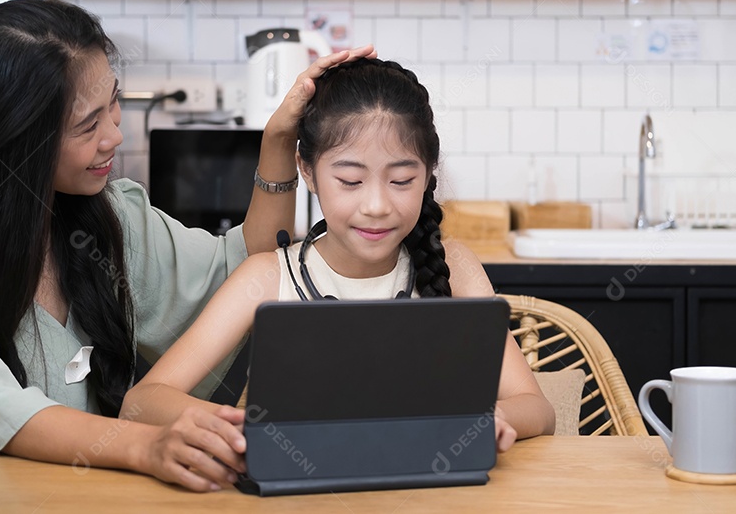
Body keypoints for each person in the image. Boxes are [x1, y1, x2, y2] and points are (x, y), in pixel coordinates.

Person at [0, 0, 376, 492]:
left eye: (112, 102)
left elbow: (243, 274)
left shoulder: (110, 214)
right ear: (15, 142)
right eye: (87, 125)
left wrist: (277, 141)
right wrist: (145, 447)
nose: (114, 135)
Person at [122, 59, 557, 467]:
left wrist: (486, 419)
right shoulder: (269, 276)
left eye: (402, 180)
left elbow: (537, 408)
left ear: (428, 174)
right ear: (307, 172)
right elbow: (142, 402)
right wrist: (235, 428)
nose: (376, 205)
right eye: (350, 181)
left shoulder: (455, 266)